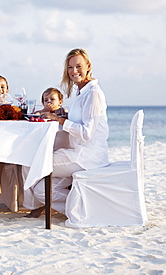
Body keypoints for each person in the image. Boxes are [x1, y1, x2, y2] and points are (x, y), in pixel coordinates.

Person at [23, 48, 109, 218]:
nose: (74, 71)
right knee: (42, 191)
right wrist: (65, 115)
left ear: (88, 66)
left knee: (31, 161)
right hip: (75, 153)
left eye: (78, 66)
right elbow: (83, 118)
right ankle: (83, 208)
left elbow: (86, 133)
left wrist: (60, 120)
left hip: (86, 156)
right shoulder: (81, 91)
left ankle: (87, 211)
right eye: (70, 67)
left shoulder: (93, 93)